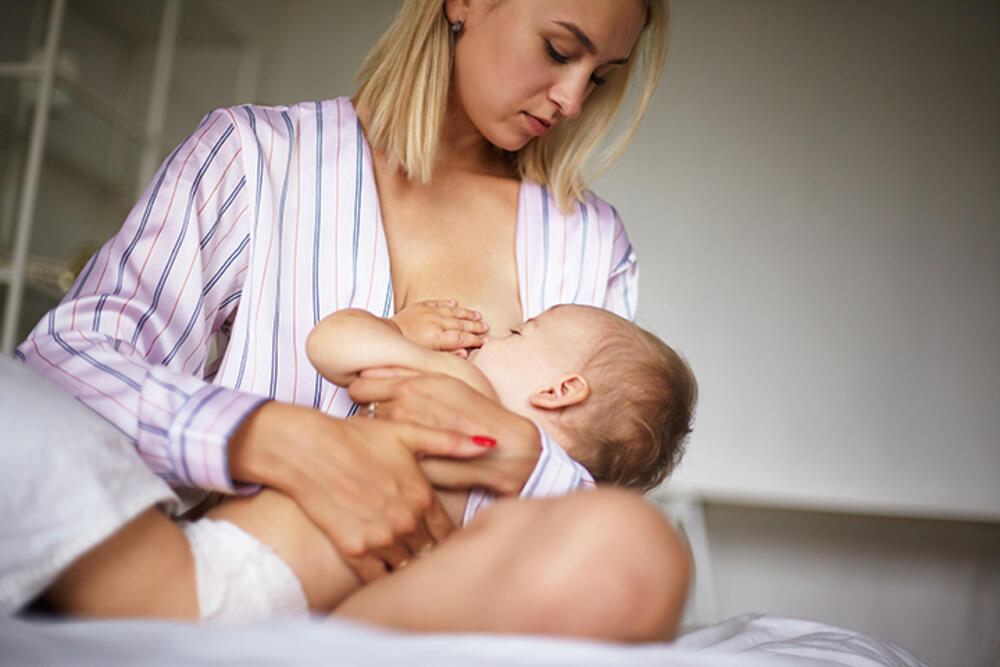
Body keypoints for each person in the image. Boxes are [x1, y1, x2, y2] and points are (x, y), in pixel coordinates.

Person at [19, 0, 688, 641]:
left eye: (599, 77)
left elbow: (605, 473)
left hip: (400, 611)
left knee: (647, 551)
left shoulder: (590, 241)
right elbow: (64, 362)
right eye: (558, 49)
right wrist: (267, 437)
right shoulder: (255, 156)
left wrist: (523, 458)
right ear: (465, 1)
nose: (573, 100)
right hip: (243, 556)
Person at [43, 301, 696, 626]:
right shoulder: (531, 518)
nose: (494, 335)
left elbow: (331, 343)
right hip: (276, 604)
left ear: (560, 390)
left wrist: (398, 334)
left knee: (41, 454)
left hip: (217, 570)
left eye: (519, 332)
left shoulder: (460, 394)